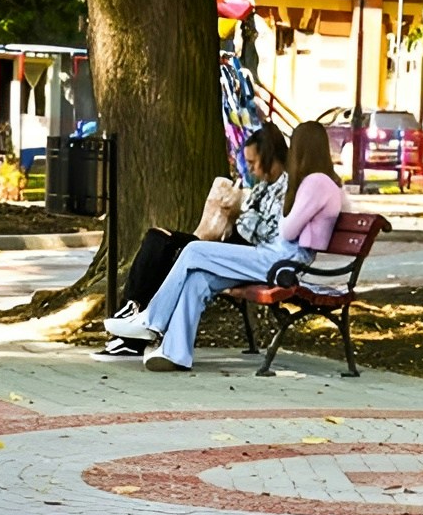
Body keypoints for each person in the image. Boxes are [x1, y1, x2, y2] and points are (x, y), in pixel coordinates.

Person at [113, 120, 343, 371]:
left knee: (193, 250)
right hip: (275, 256)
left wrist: (279, 215)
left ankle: (152, 321)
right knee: (198, 279)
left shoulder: (316, 182)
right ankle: (175, 352)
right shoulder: (318, 182)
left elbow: (287, 230)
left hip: (281, 261)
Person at [104, 128, 288, 355]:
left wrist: (239, 213)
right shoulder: (263, 188)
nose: (249, 168)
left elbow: (263, 233)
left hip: (247, 255)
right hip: (231, 247)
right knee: (160, 239)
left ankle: (144, 319)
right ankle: (163, 344)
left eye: (252, 162)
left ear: (268, 156)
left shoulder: (286, 189)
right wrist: (239, 213)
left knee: (184, 250)